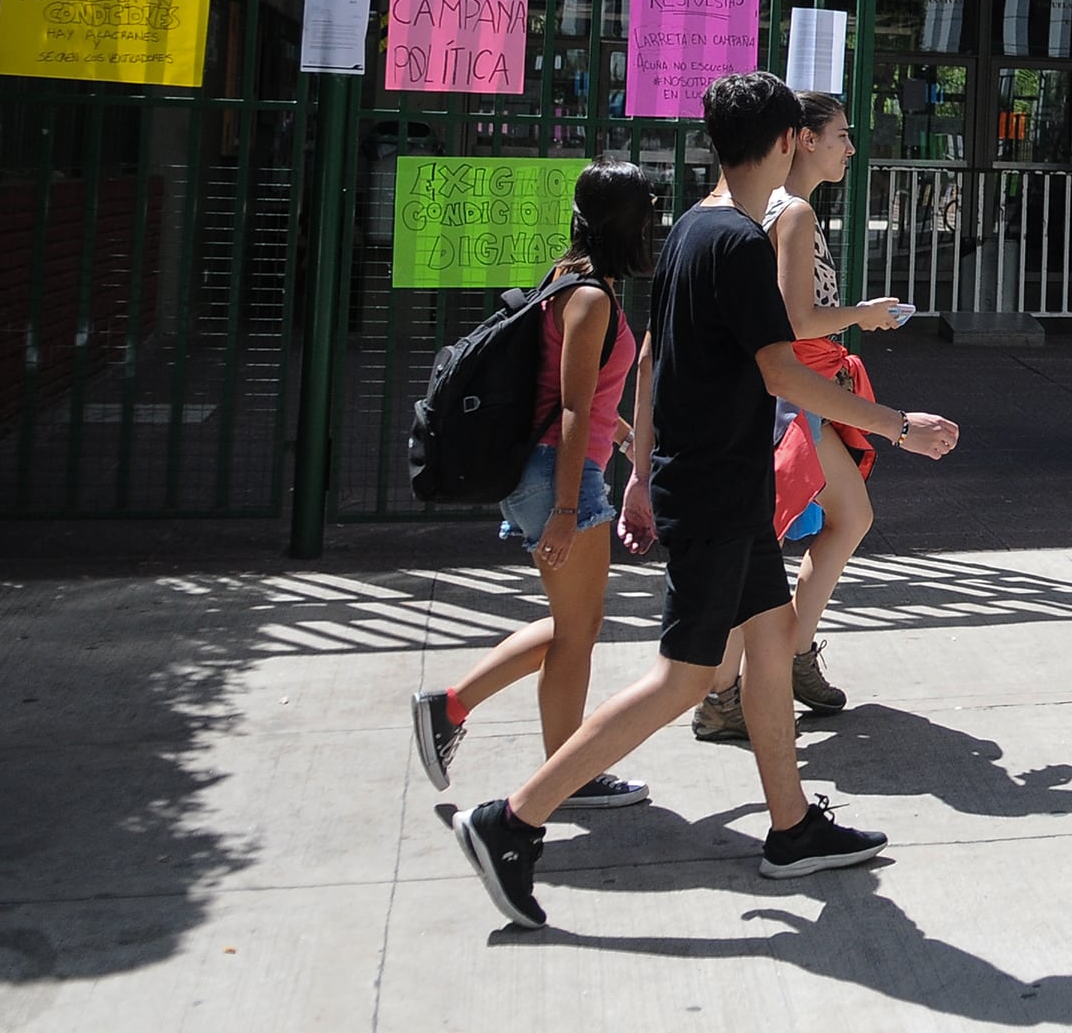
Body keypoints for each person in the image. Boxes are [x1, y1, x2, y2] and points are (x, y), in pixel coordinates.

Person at [454, 71, 960, 929]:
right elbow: (783, 369)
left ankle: (792, 828)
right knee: (682, 680)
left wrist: (646, 469)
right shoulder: (733, 242)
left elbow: (661, 360)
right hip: (720, 490)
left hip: (718, 482)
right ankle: (513, 819)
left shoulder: (697, 225)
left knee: (768, 648)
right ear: (789, 141)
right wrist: (898, 424)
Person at [409, 162, 662, 809]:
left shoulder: (571, 276)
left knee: (572, 625)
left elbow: (579, 395)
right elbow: (573, 408)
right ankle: (560, 771)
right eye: (649, 215)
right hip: (558, 477)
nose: (656, 226)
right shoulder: (590, 298)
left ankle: (459, 710)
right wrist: (569, 507)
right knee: (577, 630)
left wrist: (629, 440)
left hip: (554, 470)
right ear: (630, 226)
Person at [690, 89, 916, 742]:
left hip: (785, 393)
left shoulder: (752, 206)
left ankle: (777, 663)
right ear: (804, 139)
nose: (851, 146)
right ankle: (731, 688)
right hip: (791, 396)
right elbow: (794, 321)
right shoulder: (792, 214)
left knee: (839, 519)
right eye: (842, 134)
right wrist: (863, 313)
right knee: (761, 545)